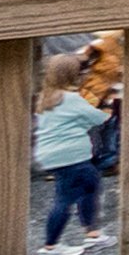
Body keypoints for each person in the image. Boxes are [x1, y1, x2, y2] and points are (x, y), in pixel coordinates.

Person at [32, 51, 104, 243]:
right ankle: (51, 246)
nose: (84, 75)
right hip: (71, 155)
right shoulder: (71, 99)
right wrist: (107, 108)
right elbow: (96, 118)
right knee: (64, 198)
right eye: (80, 72)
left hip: (53, 155)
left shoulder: (46, 97)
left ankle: (91, 231)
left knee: (89, 184)